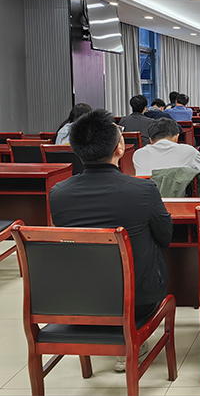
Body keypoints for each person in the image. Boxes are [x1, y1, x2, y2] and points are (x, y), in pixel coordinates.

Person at [49, 109, 172, 372]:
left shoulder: (58, 193)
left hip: (82, 299)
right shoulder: (143, 190)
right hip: (137, 301)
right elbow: (166, 236)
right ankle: (128, 339)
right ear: (120, 148)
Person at [133, 118, 200, 184]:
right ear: (177, 137)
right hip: (180, 200)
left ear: (151, 140)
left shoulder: (138, 154)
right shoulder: (189, 151)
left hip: (148, 199)